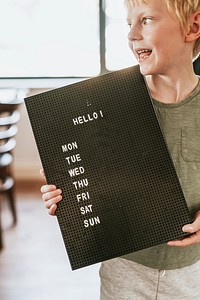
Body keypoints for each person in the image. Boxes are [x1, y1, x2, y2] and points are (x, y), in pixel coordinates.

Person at [40, 0, 200, 298]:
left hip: (192, 274)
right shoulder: (108, 104)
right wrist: (66, 196)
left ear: (193, 27)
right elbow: (90, 187)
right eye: (129, 23)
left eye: (147, 20)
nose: (132, 35)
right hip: (123, 272)